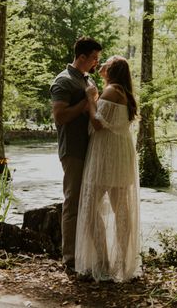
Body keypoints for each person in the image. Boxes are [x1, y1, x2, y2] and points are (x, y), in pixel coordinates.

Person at [75, 55, 141, 282]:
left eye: (107, 62)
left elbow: (96, 123)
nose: (101, 64)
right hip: (119, 154)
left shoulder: (112, 90)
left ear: (112, 69)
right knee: (120, 208)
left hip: (107, 156)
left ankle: (103, 262)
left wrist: (91, 99)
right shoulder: (122, 91)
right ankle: (123, 262)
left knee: (90, 207)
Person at [50, 36, 102, 270]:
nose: (95, 63)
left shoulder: (86, 79)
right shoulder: (63, 81)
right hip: (72, 149)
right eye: (93, 58)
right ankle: (69, 257)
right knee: (73, 201)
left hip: (91, 149)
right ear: (81, 57)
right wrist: (86, 102)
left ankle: (93, 254)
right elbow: (59, 117)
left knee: (90, 202)